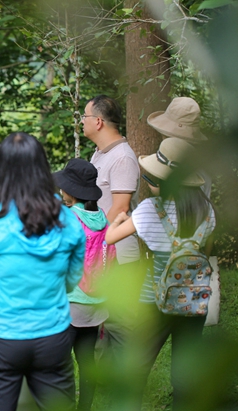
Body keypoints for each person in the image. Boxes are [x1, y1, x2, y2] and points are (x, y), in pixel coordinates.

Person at [0, 132, 86, 411]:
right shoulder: (68, 221)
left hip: (2, 337)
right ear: (42, 168)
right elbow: (72, 279)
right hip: (53, 335)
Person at [105, 137, 216, 411]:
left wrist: (119, 220)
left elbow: (110, 238)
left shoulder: (150, 209)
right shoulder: (206, 209)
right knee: (185, 374)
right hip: (193, 301)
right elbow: (205, 251)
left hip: (154, 301)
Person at [53, 158, 113, 411]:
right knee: (87, 360)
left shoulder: (67, 218)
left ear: (71, 191)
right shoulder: (102, 217)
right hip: (97, 302)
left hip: (70, 301)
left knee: (60, 361)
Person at [82, 94, 141, 358]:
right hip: (102, 252)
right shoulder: (100, 154)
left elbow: (120, 208)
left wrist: (92, 239)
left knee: (120, 325)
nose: (81, 121)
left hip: (119, 255)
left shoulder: (122, 157)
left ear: (98, 121)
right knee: (102, 325)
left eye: (84, 116)